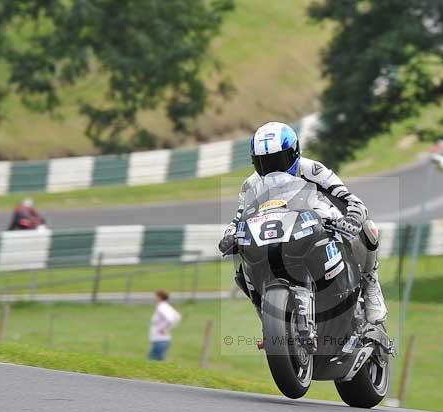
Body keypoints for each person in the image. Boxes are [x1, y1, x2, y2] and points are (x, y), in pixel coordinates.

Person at [217, 121, 387, 324]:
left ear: (294, 153)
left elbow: (350, 200)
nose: (273, 168)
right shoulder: (251, 184)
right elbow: (239, 217)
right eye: (265, 162)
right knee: (239, 256)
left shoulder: (313, 170)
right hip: (276, 234)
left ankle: (371, 286)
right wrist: (229, 235)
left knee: (367, 227)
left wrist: (351, 217)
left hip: (319, 223)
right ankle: (265, 312)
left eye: (278, 160)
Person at [148, 290, 181, 361]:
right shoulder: (166, 306)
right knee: (158, 361)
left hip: (159, 339)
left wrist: (163, 329)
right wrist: (168, 328)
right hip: (163, 340)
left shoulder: (162, 307)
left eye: (155, 296)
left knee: (152, 362)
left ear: (159, 297)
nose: (154, 298)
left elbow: (170, 319)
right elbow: (177, 317)